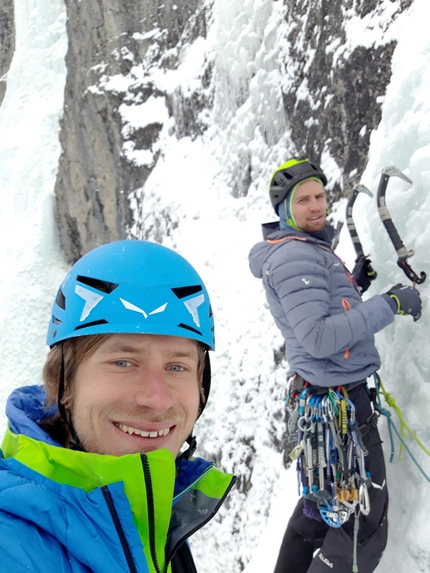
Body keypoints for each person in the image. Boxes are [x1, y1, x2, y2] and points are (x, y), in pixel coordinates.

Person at [0, 239, 235, 573]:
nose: (157, 399)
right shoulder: (12, 546)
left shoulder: (153, 516)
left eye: (177, 367)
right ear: (64, 384)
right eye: (124, 362)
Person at [248, 158, 422, 573]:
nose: (316, 206)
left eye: (320, 196)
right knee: (365, 526)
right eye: (303, 199)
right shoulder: (296, 256)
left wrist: (354, 283)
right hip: (341, 403)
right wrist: (389, 303)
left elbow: (316, 308)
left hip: (324, 400)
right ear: (283, 210)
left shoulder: (302, 250)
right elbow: (319, 336)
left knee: (320, 508)